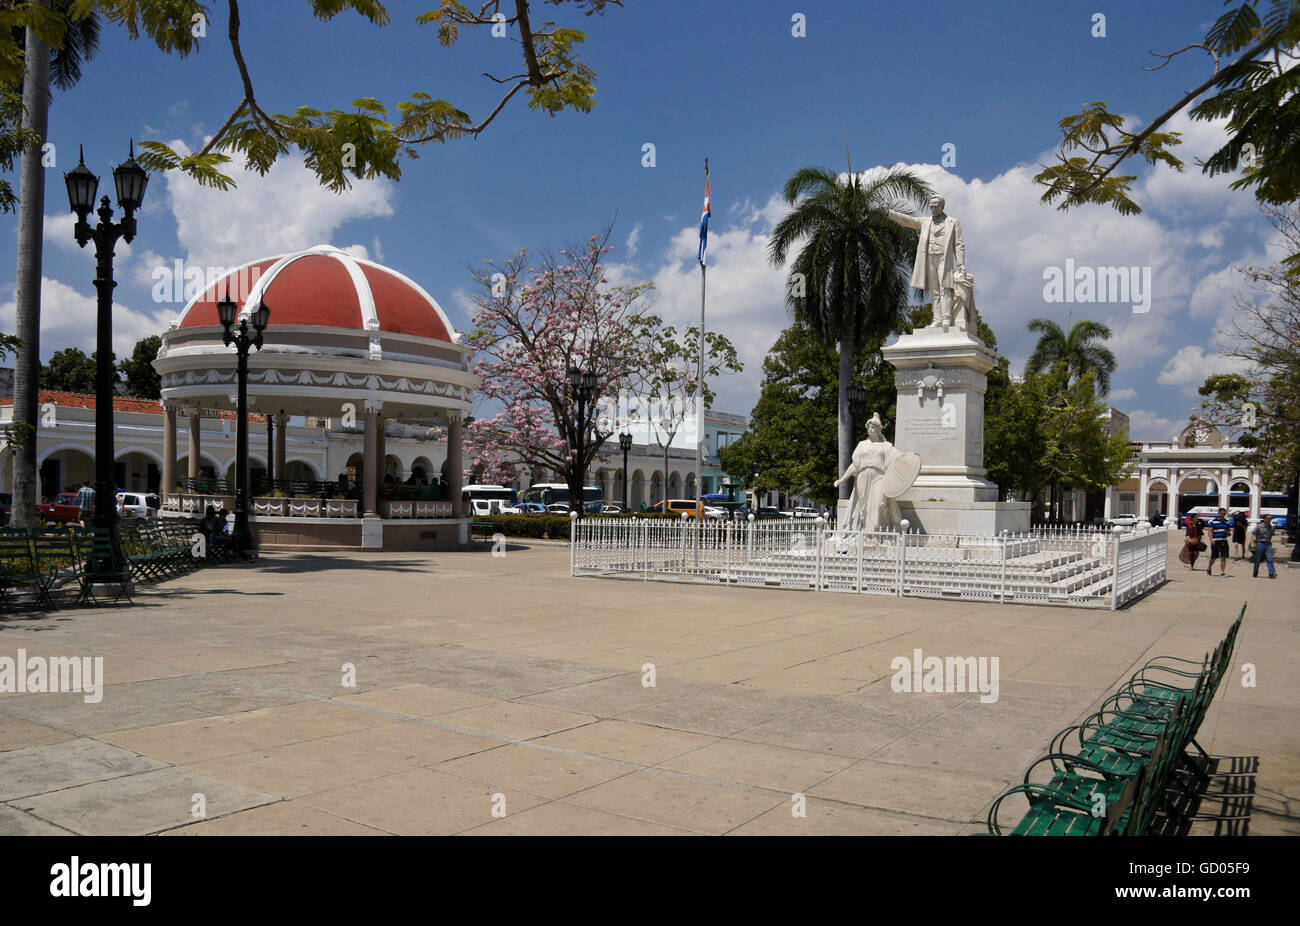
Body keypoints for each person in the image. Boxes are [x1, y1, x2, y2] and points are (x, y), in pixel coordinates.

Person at [1252, 513, 1278, 579]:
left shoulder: (1271, 527)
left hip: (1268, 544)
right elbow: (1253, 534)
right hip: (1260, 544)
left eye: (1271, 519)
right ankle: (1255, 572)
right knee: (1258, 559)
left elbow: (1271, 535)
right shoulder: (1259, 526)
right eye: (1269, 518)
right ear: (1265, 519)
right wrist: (1252, 543)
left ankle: (1271, 573)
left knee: (1270, 559)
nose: (1270, 520)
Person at [1207, 508, 1232, 576]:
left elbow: (1229, 530)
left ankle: (1222, 572)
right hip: (1215, 541)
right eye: (1222, 513)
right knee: (1214, 557)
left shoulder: (1227, 521)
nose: (1223, 515)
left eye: (1224, 514)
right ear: (1218, 513)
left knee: (1223, 557)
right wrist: (1211, 540)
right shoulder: (1213, 521)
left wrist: (1228, 533)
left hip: (1224, 541)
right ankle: (1209, 567)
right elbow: (1210, 531)